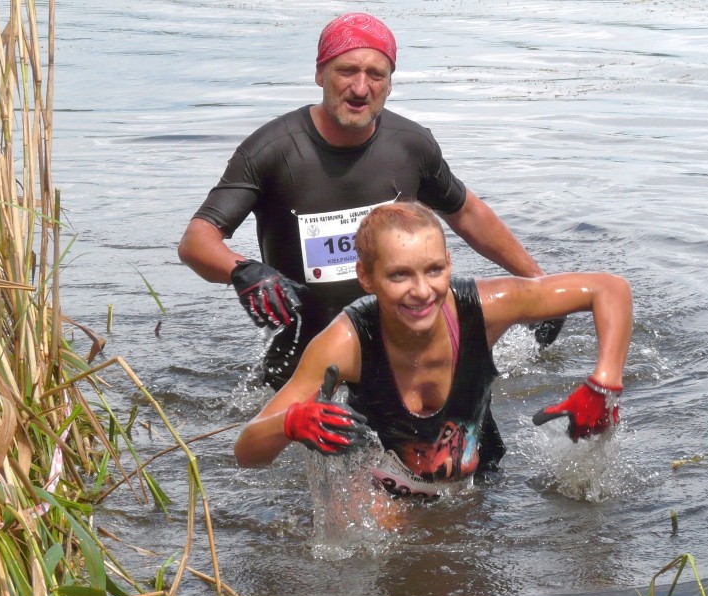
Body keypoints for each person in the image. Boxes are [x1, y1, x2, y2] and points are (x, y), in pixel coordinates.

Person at [178, 12, 562, 469]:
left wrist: (535, 280)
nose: (360, 87)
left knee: (472, 472)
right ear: (320, 73)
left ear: (389, 82)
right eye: (346, 71)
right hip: (316, 361)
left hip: (405, 350)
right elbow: (197, 239)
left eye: (375, 74)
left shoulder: (410, 145)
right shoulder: (273, 151)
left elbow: (467, 212)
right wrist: (243, 270)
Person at [233, 201, 632, 497]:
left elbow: (609, 289)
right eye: (399, 275)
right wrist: (291, 423)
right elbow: (247, 451)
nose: (422, 291)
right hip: (384, 490)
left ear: (449, 263)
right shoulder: (344, 342)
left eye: (434, 270)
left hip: (474, 475)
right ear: (366, 277)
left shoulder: (485, 308)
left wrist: (603, 384)